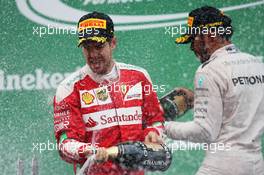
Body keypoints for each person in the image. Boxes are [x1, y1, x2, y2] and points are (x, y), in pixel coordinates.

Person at [53, 11, 164, 175]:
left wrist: (153, 134)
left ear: (113, 43)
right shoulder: (69, 88)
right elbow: (65, 144)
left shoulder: (138, 77)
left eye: (98, 47)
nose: (93, 55)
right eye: (87, 48)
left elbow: (156, 121)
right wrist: (90, 150)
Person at [165, 6, 264, 175]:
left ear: (209, 35)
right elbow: (240, 107)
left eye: (193, 39)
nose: (192, 48)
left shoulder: (209, 71)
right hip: (256, 164)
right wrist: (199, 100)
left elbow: (204, 131)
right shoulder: (256, 63)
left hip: (222, 165)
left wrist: (161, 127)